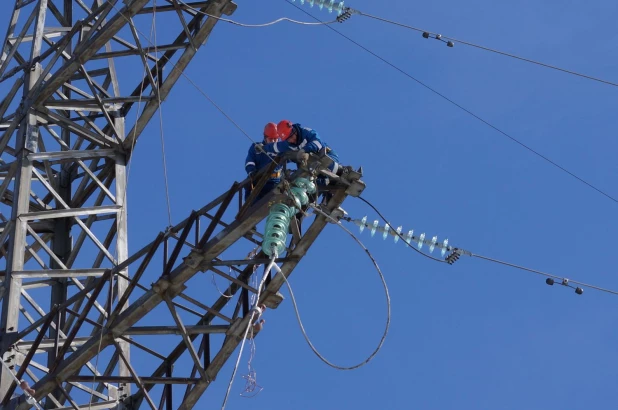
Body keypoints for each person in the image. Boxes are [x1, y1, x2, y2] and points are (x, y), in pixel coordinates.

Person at [261, 120, 341, 177]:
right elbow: (275, 147)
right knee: (310, 182)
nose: (292, 140)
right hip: (312, 168)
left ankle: (341, 173)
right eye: (288, 139)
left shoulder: (306, 132)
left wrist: (304, 150)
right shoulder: (287, 145)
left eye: (292, 136)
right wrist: (263, 148)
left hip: (326, 156)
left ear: (294, 130)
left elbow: (317, 142)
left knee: (331, 167)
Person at [244, 122, 283, 203]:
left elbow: (290, 156)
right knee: (250, 190)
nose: (273, 141)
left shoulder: (281, 148)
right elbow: (250, 161)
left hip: (274, 181)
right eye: (271, 139)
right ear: (265, 137)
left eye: (275, 139)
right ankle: (251, 207)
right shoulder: (257, 147)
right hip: (259, 181)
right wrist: (251, 172)